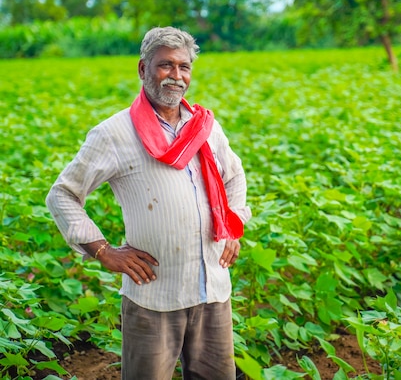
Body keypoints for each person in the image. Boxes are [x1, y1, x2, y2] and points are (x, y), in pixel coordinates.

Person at [46, 26, 251, 380]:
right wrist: (104, 251)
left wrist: (232, 228)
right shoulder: (114, 133)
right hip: (154, 294)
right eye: (165, 65)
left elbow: (234, 176)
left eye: (184, 67)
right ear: (143, 69)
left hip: (213, 289)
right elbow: (62, 195)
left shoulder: (204, 126)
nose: (176, 76)